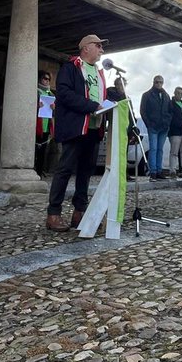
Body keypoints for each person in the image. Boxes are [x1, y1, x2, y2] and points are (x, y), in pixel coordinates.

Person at [45, 33, 109, 232]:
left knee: (86, 172)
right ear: (86, 48)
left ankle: (79, 213)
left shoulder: (99, 73)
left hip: (94, 128)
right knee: (64, 170)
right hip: (75, 127)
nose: (101, 50)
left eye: (102, 47)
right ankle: (53, 214)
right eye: (98, 46)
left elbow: (102, 97)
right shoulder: (70, 68)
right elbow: (64, 94)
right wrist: (91, 106)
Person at [139, 75, 172, 180]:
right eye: (157, 82)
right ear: (153, 82)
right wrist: (148, 123)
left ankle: (159, 171)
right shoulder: (147, 95)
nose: (158, 84)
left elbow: (170, 111)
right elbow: (143, 111)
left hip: (164, 127)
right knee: (153, 149)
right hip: (153, 126)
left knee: (160, 149)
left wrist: (167, 122)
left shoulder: (166, 96)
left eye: (161, 82)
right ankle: (152, 172)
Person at [35, 70, 55, 177]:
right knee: (34, 150)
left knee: (43, 152)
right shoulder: (35, 91)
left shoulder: (50, 93)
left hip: (46, 125)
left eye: (48, 79)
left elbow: (55, 112)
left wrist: (54, 108)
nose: (47, 81)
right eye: (44, 78)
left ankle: (39, 171)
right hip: (36, 125)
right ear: (40, 79)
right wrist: (36, 106)